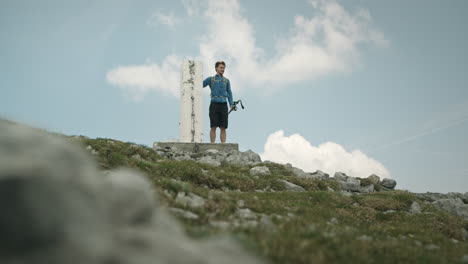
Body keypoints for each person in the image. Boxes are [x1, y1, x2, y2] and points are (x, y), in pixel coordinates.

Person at [203, 61, 234, 143]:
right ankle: (212, 144)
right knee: (213, 126)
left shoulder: (227, 81)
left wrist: (231, 104)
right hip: (214, 105)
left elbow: (229, 93)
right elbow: (200, 84)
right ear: (216, 68)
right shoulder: (211, 79)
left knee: (223, 127)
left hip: (223, 105)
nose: (222, 69)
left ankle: (223, 144)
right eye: (221, 67)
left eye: (223, 68)